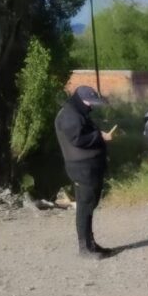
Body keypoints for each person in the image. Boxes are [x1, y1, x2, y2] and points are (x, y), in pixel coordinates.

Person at [54, 85, 115, 259]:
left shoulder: (77, 112)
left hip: (88, 166)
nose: (92, 106)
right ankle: (85, 248)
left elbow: (84, 134)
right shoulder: (69, 115)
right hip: (81, 168)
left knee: (89, 205)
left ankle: (90, 244)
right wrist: (100, 137)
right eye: (90, 102)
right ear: (80, 99)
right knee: (85, 206)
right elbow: (78, 139)